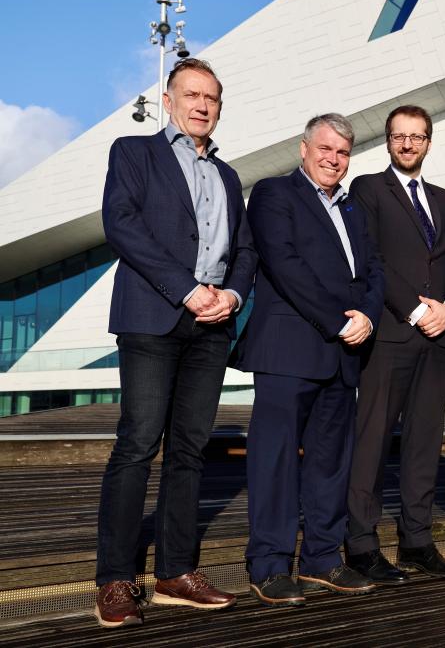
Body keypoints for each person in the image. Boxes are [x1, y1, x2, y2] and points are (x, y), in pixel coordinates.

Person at [96, 58, 256, 628]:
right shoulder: (133, 153)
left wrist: (232, 297)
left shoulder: (229, 176)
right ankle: (115, 578)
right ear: (169, 100)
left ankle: (175, 573)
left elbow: (245, 252)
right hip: (152, 317)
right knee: (137, 445)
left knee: (189, 452)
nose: (202, 105)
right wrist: (187, 290)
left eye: (211, 97)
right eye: (191, 94)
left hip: (212, 327)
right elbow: (122, 226)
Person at [229, 114, 384, 607]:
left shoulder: (354, 209)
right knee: (274, 461)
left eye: (342, 151)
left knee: (330, 462)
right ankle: (270, 565)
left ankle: (322, 559)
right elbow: (284, 264)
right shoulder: (275, 194)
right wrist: (339, 320)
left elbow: (374, 271)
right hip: (289, 350)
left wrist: (369, 317)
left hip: (342, 355)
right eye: (325, 148)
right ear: (303, 148)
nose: (333, 158)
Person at [345, 105, 445, 581]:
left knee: (424, 443)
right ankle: (360, 543)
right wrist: (418, 310)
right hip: (393, 334)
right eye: (399, 136)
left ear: (428, 143)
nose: (407, 144)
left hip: (439, 340)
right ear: (388, 141)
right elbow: (371, 258)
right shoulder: (368, 189)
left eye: (416, 137)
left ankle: (417, 540)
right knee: (373, 439)